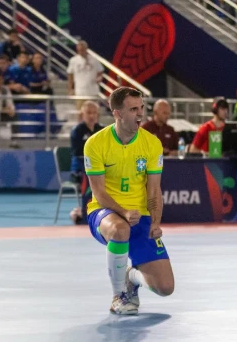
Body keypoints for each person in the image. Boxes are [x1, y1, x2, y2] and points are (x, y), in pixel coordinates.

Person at [84, 87, 174, 315]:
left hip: (140, 216)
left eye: (142, 107)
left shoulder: (152, 144)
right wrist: (123, 211)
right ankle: (119, 296)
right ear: (117, 113)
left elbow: (154, 190)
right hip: (104, 212)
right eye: (133, 109)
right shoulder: (95, 144)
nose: (140, 114)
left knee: (165, 288)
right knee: (120, 229)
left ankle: (130, 277)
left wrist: (155, 222)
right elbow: (99, 192)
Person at [69, 101, 104, 224]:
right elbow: (78, 152)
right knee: (89, 175)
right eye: (89, 113)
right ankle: (86, 213)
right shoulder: (77, 131)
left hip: (99, 167)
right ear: (82, 114)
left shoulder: (102, 130)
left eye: (94, 113)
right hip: (79, 169)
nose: (92, 116)